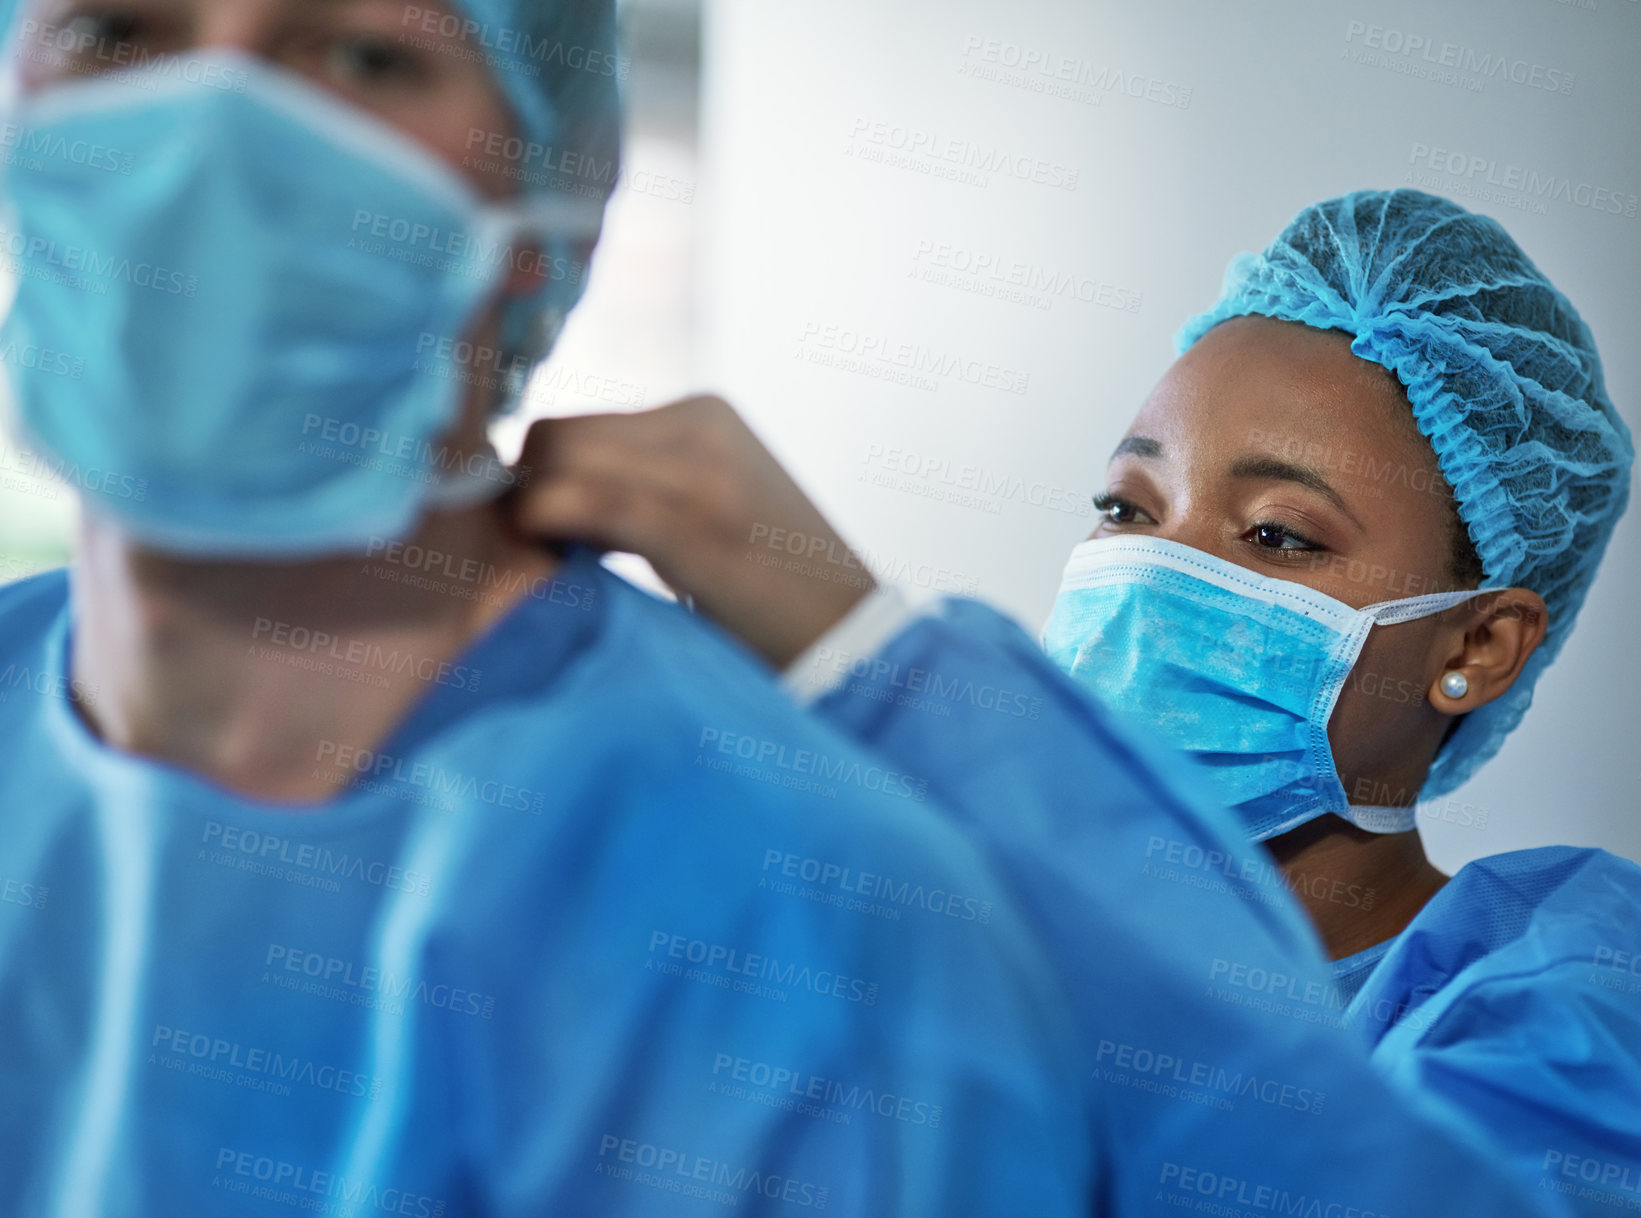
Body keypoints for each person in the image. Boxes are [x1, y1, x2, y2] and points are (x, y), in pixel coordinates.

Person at [0, 2, 1102, 1214]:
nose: (207, 126)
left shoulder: (796, 927)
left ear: (546, 205)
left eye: (365, 55)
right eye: (114, 32)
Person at [510, 189, 1641, 1215]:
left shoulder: (1566, 1000)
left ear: (1479, 645)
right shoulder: (952, 932)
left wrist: (877, 663)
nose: (1155, 579)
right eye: (1128, 508)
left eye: (1278, 536)